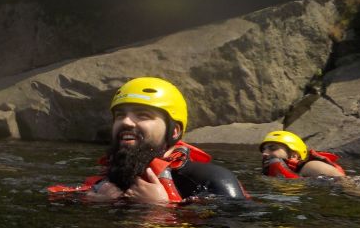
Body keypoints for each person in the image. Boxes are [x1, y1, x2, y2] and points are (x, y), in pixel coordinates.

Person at [49, 77, 247, 203]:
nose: (126, 121)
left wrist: (162, 207)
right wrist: (90, 204)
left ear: (175, 131)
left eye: (142, 115)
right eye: (120, 115)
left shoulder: (211, 180)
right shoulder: (109, 179)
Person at [259, 130, 346, 178]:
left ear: (294, 155)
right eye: (263, 150)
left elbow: (345, 184)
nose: (264, 153)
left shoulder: (311, 166)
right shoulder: (269, 172)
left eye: (273, 148)